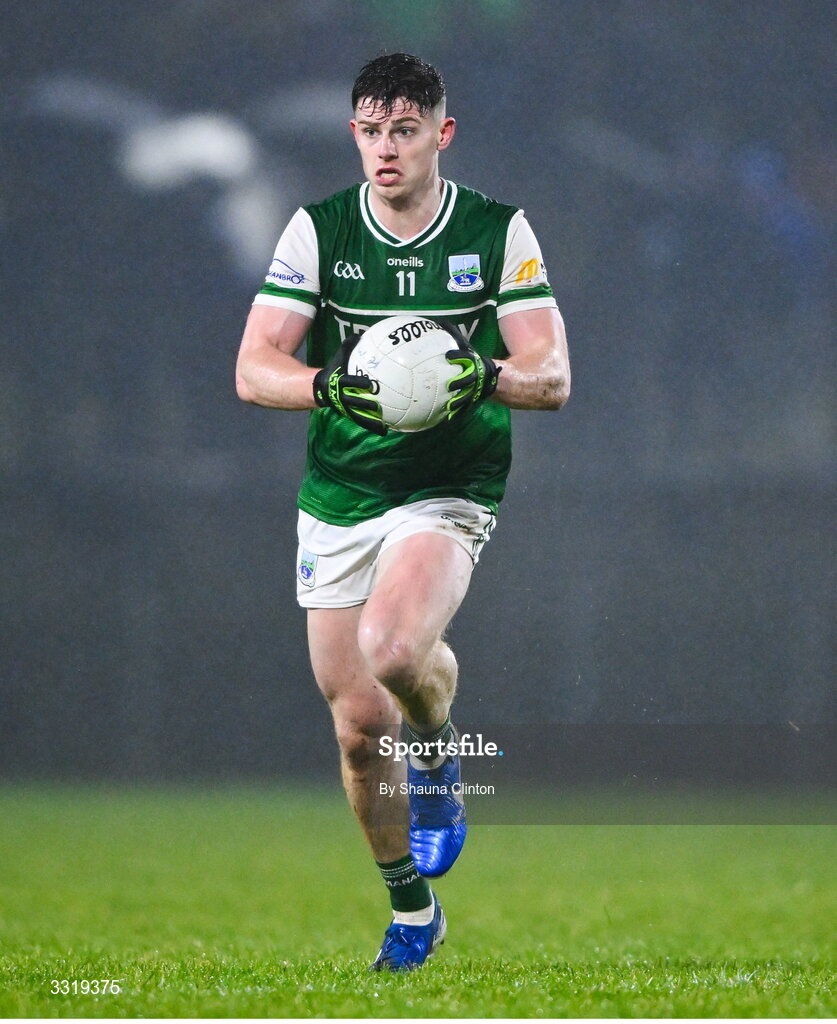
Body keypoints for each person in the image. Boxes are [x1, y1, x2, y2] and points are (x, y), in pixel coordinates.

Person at [236, 52, 570, 971]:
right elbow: (253, 367)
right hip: (341, 489)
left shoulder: (498, 230)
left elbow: (552, 376)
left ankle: (435, 755)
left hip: (447, 483)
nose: (386, 150)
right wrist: (329, 384)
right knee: (353, 725)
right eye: (371, 132)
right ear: (355, 134)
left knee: (392, 650)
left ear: (440, 134)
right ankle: (411, 910)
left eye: (405, 131)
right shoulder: (320, 229)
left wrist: (488, 373)